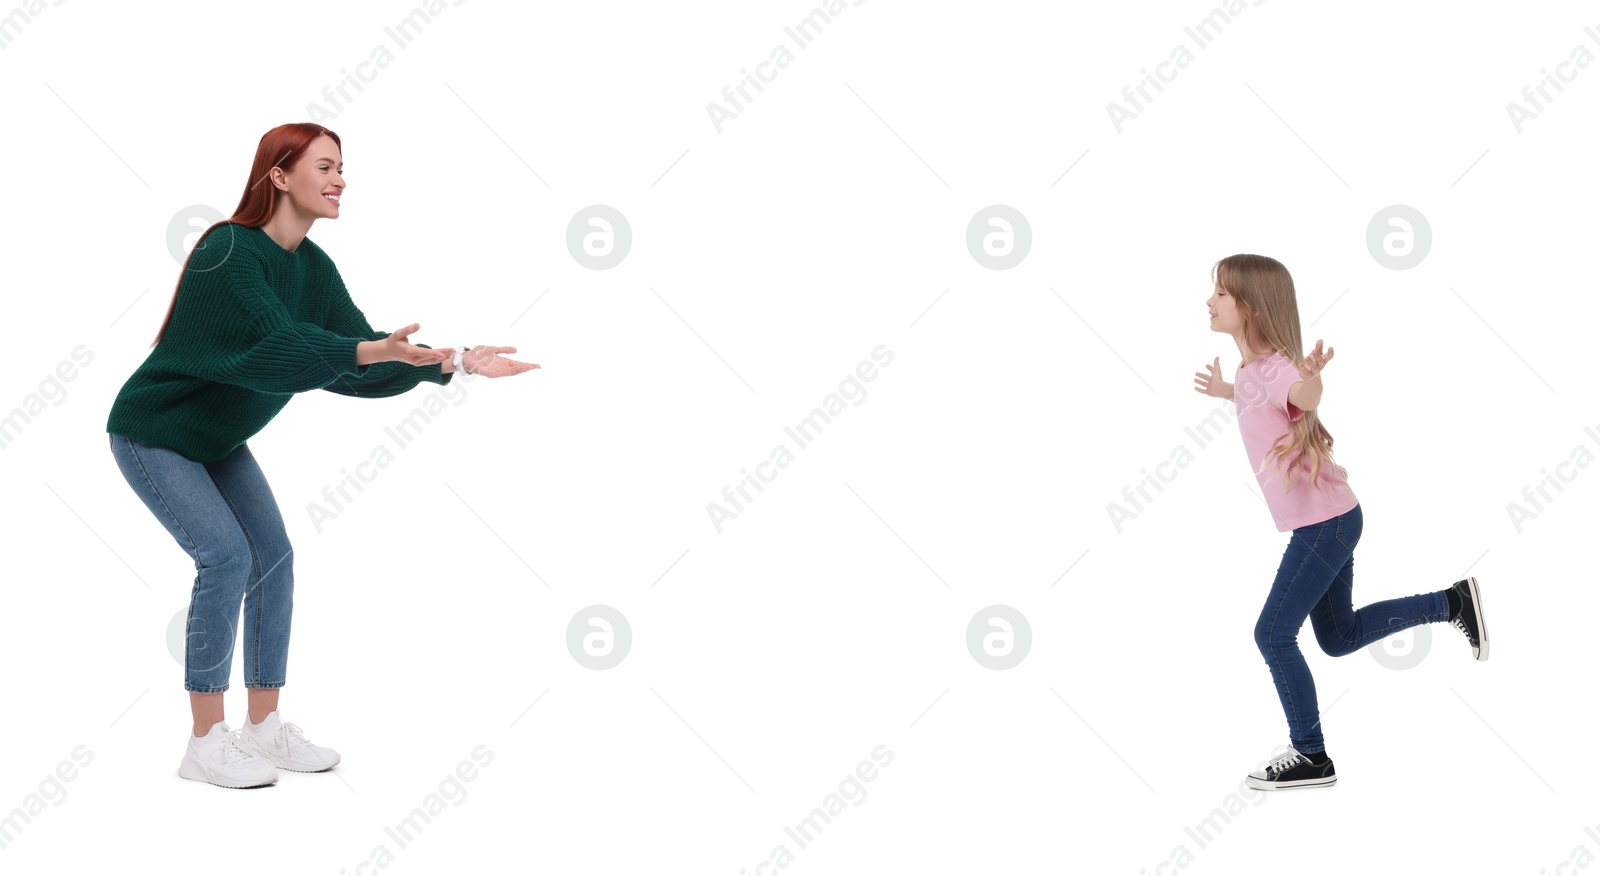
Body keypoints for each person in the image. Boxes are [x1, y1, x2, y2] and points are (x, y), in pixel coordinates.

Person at [106, 122, 538, 789]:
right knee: (225, 556)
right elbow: (283, 347)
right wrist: (367, 349)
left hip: (217, 439)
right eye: (326, 166)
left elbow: (357, 362)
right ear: (279, 175)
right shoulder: (229, 250)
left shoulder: (312, 266)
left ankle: (264, 729)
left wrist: (454, 361)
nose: (341, 181)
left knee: (272, 557)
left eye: (344, 169)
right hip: (154, 431)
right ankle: (203, 742)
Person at [1193, 253, 1488, 791]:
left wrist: (1311, 381)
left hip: (1325, 525)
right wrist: (1224, 392)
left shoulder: (1283, 368)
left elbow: (1299, 395)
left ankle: (1311, 755)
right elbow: (1259, 394)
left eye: (1220, 293)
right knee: (1338, 635)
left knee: (1273, 635)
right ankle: (1454, 602)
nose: (1208, 302)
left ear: (1251, 308)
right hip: (1333, 519)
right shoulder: (1251, 369)